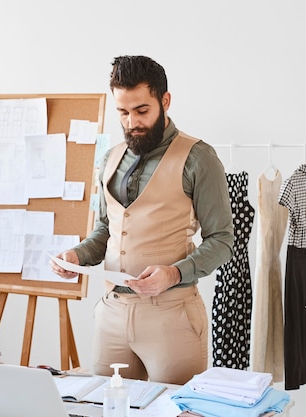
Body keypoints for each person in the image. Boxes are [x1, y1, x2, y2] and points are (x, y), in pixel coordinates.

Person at [50, 55, 234, 385]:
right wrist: (77, 255)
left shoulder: (199, 157)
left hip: (172, 316)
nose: (131, 121)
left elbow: (222, 240)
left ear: (165, 101)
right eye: (122, 112)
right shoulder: (110, 158)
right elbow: (107, 230)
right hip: (112, 314)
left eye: (142, 111)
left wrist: (174, 272)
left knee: (174, 410)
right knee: (104, 407)